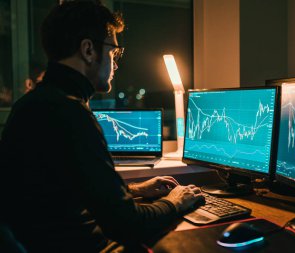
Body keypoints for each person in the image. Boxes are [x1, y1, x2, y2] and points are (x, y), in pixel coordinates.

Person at [0, 1, 203, 252]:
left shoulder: (30, 104)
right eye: (112, 52)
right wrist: (175, 202)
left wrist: (133, 190)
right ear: (88, 50)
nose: (115, 63)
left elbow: (59, 193)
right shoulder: (71, 114)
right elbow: (129, 225)